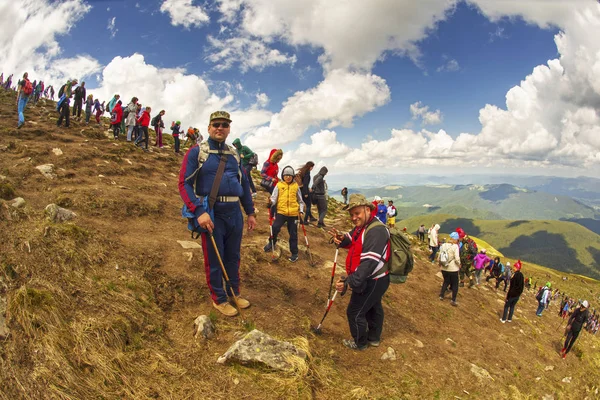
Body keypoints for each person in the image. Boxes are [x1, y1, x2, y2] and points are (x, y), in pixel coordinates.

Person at [179, 111, 256, 316]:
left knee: (233, 255)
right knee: (214, 257)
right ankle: (219, 299)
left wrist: (250, 212)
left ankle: (234, 292)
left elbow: (244, 184)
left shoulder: (234, 154)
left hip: (234, 213)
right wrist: (199, 212)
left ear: (229, 128)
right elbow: (184, 184)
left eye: (224, 125)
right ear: (209, 128)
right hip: (212, 213)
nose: (220, 128)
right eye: (216, 124)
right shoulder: (197, 152)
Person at [330, 193, 390, 350]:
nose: (354, 217)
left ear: (367, 209)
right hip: (376, 278)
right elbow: (350, 238)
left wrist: (349, 282)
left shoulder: (376, 231)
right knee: (373, 306)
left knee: (355, 312)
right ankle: (374, 338)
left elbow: (368, 264)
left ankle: (360, 343)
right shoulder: (362, 227)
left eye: (357, 213)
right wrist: (341, 240)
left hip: (373, 279)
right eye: (351, 214)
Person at [263, 166, 305, 262]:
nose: (288, 177)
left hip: (293, 214)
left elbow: (301, 201)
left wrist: (301, 211)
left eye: (290, 175)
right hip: (281, 212)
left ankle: (294, 253)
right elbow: (274, 198)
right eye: (286, 175)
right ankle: (272, 243)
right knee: (275, 228)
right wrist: (270, 202)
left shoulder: (296, 187)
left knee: (293, 234)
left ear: (293, 176)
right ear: (283, 176)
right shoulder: (278, 185)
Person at [438, 231, 461, 306]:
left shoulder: (443, 245)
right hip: (453, 268)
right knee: (455, 284)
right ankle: (453, 300)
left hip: (444, 267)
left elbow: (439, 255)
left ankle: (441, 295)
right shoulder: (455, 247)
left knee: (446, 281)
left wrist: (440, 263)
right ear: (455, 239)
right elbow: (457, 258)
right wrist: (459, 264)